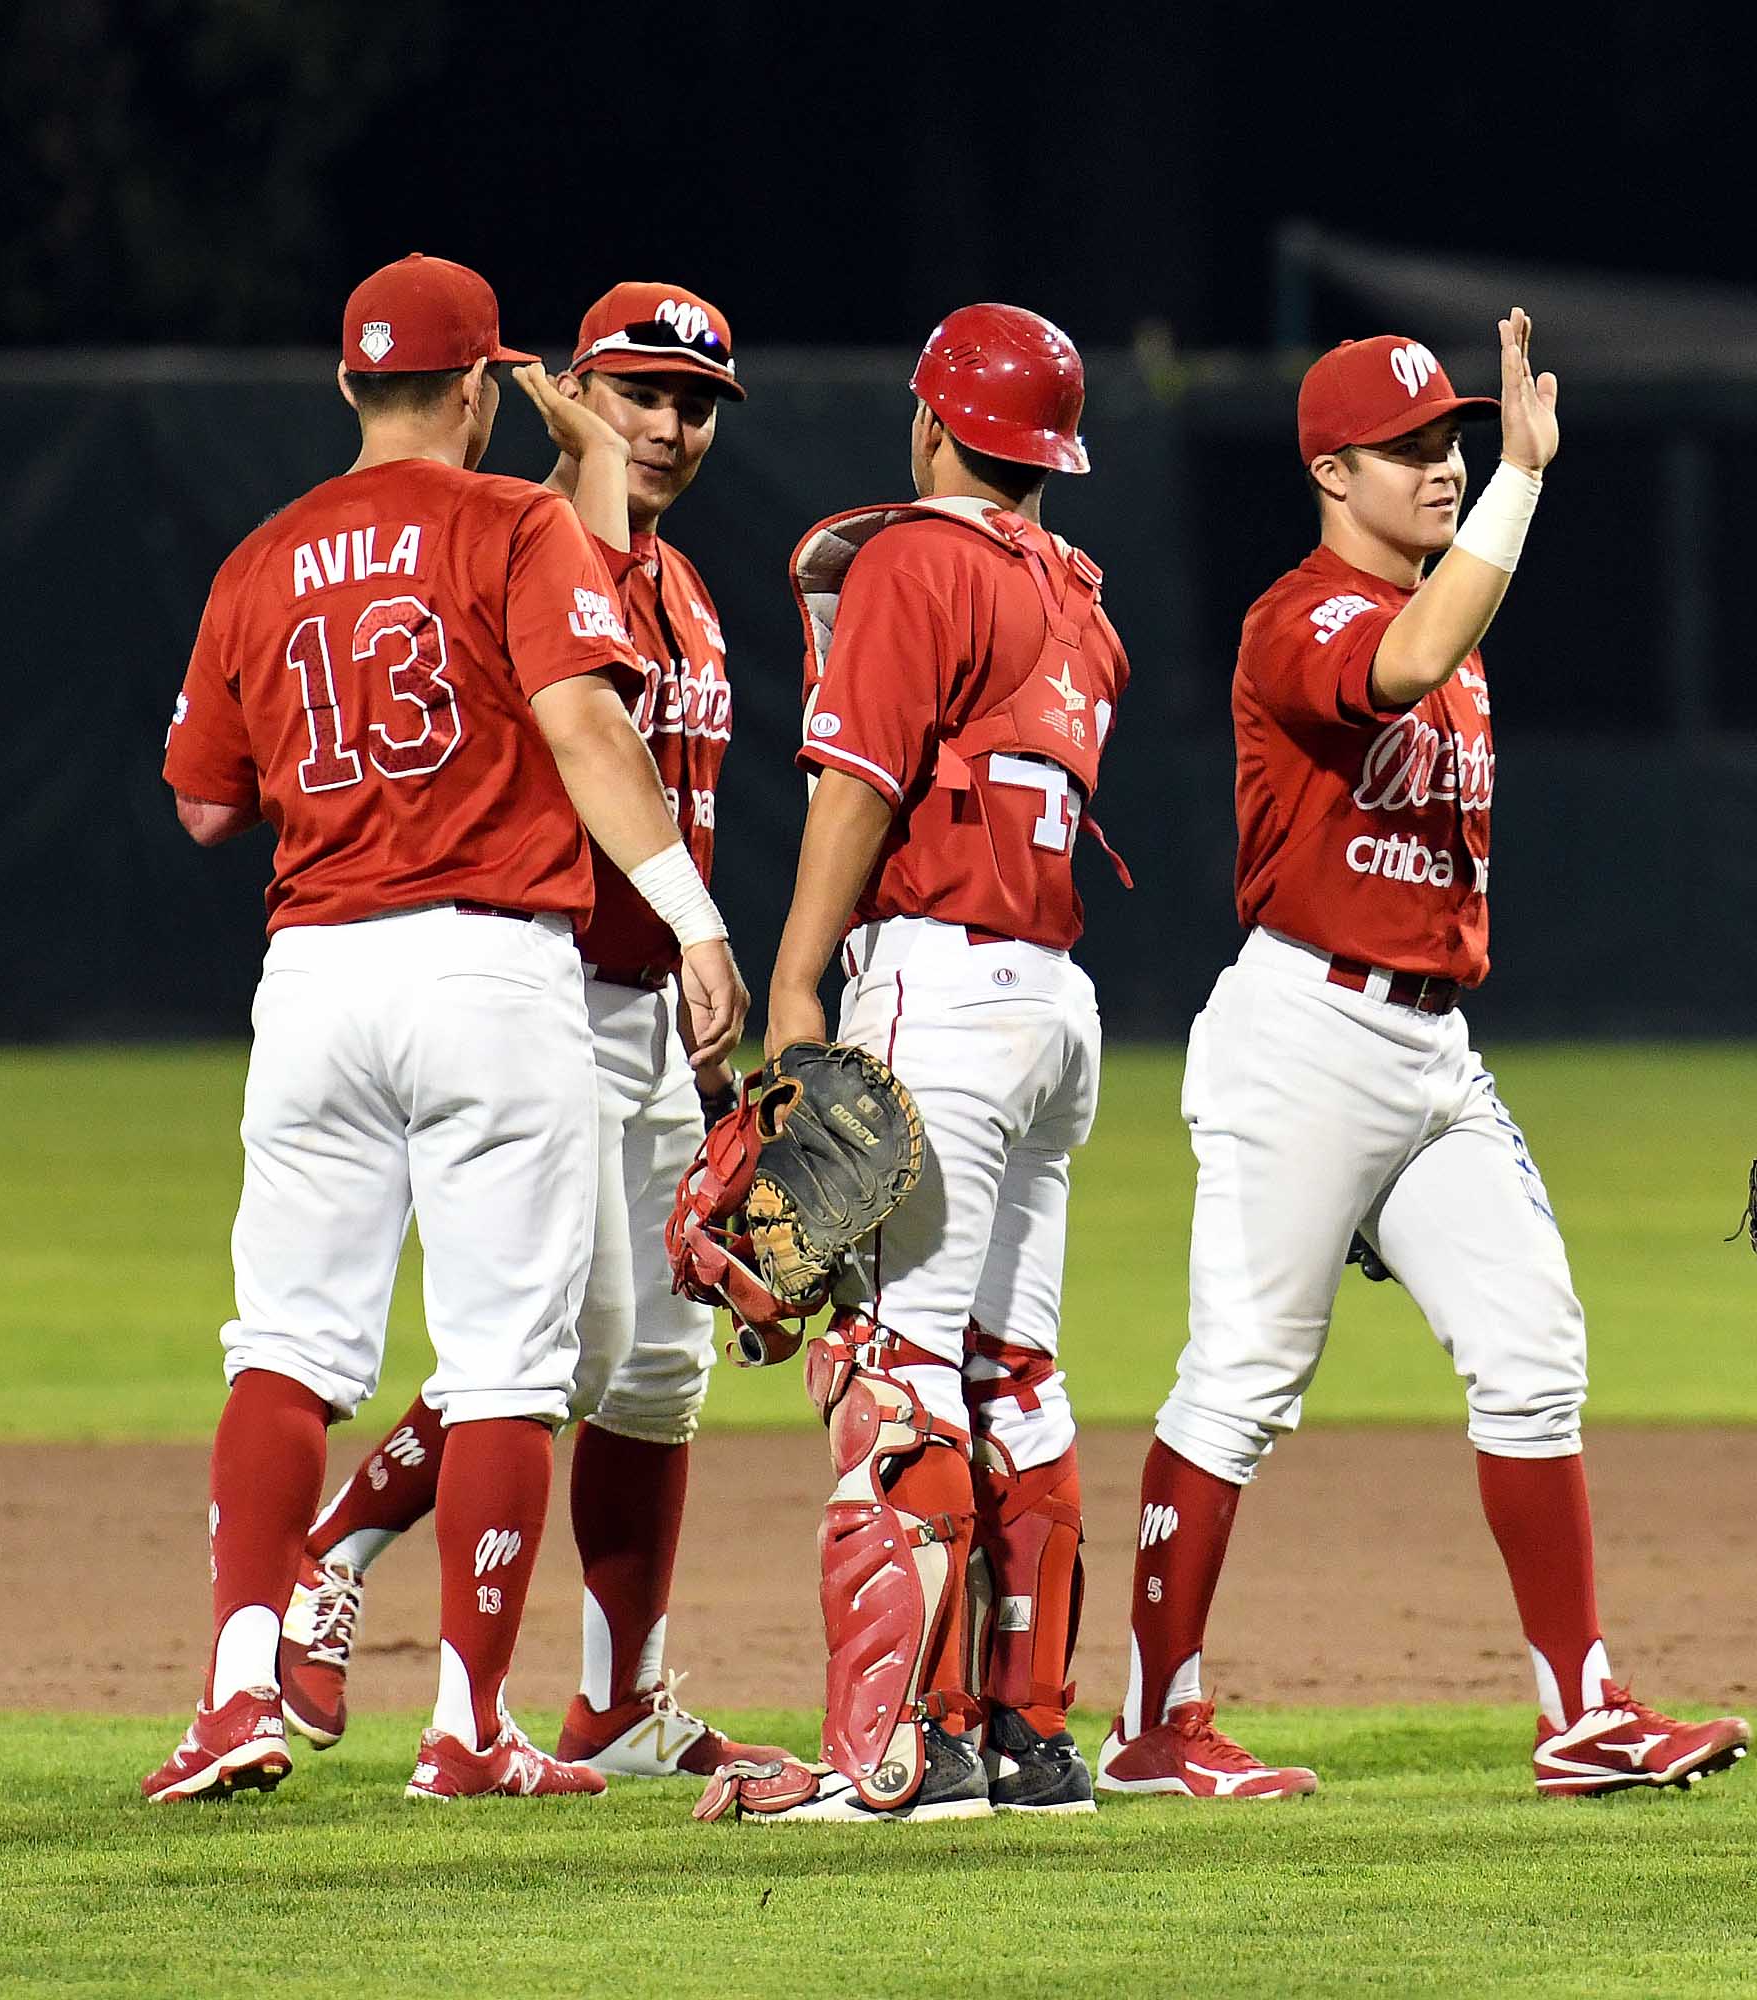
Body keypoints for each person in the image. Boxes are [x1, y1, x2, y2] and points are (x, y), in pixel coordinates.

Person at [1099, 319, 1750, 1804]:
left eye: (1453, 441)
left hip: (1430, 1045)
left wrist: (1498, 496)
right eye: (1411, 449)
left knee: (1535, 1354)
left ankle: (1581, 1712)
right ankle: (1152, 1721)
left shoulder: (1453, 625)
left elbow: (1445, 638)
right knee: (1244, 1381)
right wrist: (1525, 483)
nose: (1444, 464)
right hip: (1305, 1033)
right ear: (1331, 472)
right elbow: (1410, 652)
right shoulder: (1302, 620)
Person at [148, 253, 745, 1803]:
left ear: (349, 383)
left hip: (317, 976)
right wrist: (695, 916)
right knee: (507, 1366)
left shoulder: (258, 557)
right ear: (483, 390)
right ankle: (471, 1727)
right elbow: (582, 724)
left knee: (283, 1345)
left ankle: (231, 1699)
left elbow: (207, 800)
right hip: (495, 966)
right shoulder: (517, 520)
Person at [712, 304, 1126, 1823]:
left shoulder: (916, 560)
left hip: (938, 988)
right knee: (1012, 1370)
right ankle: (1026, 1741)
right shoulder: (1077, 592)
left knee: (889, 1374)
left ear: (937, 425)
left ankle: (895, 1754)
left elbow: (858, 793)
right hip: (1055, 1007)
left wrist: (800, 980)